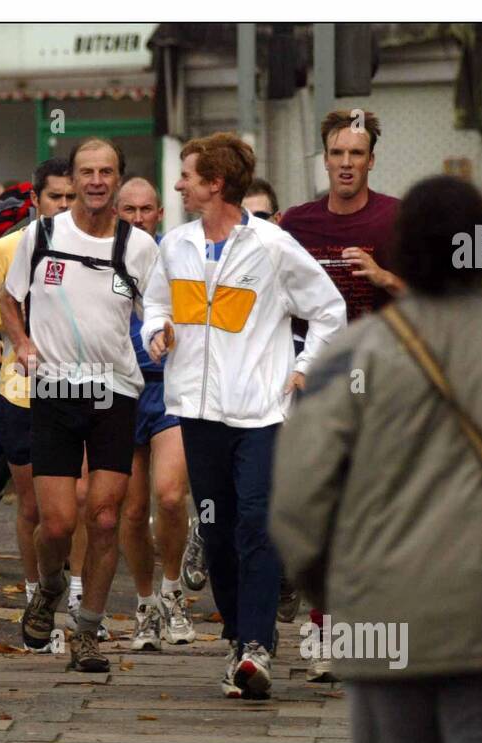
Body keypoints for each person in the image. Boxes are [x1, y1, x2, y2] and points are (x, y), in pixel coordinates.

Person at [269, 175, 482, 743]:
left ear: (402, 249)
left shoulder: (350, 357)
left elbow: (299, 497)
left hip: (381, 619)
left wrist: (335, 591)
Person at [142, 132, 345, 699]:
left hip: (261, 414)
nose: (178, 184)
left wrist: (305, 369)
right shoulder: (175, 245)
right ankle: (238, 639)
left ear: (215, 184)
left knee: (256, 523)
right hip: (198, 412)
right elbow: (156, 303)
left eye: (186, 176)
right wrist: (156, 331)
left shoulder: (273, 247)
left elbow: (329, 310)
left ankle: (257, 646)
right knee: (218, 527)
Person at [0, 138, 159, 672]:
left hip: (114, 390)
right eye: (86, 172)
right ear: (73, 179)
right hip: (55, 390)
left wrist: (161, 334)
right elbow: (7, 298)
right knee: (60, 523)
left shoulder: (140, 248)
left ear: (118, 179)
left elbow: (156, 310)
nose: (96, 181)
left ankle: (87, 631)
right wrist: (21, 343)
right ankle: (48, 587)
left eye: (106, 172)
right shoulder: (41, 235)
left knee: (107, 516)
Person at [278, 110, 405, 678]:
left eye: (357, 154)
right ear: (324, 159)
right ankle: (326, 628)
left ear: (371, 160)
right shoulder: (295, 224)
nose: (347, 163)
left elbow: (437, 298)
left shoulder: (396, 219)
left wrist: (382, 278)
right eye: (337, 153)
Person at [0, 159, 76, 649]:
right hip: (22, 389)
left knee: (84, 502)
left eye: (72, 198)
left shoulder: (99, 249)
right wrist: (17, 324)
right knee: (33, 504)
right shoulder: (10, 248)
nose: (65, 207)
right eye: (56, 198)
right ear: (36, 201)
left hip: (83, 387)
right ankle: (38, 599)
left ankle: (78, 600)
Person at [114, 177, 198, 650]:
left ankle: (173, 593)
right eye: (129, 210)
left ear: (160, 212)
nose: (139, 218)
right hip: (120, 391)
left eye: (147, 209)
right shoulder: (102, 256)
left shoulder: (177, 254)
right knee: (130, 507)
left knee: (169, 496)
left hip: (169, 388)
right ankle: (144, 606)